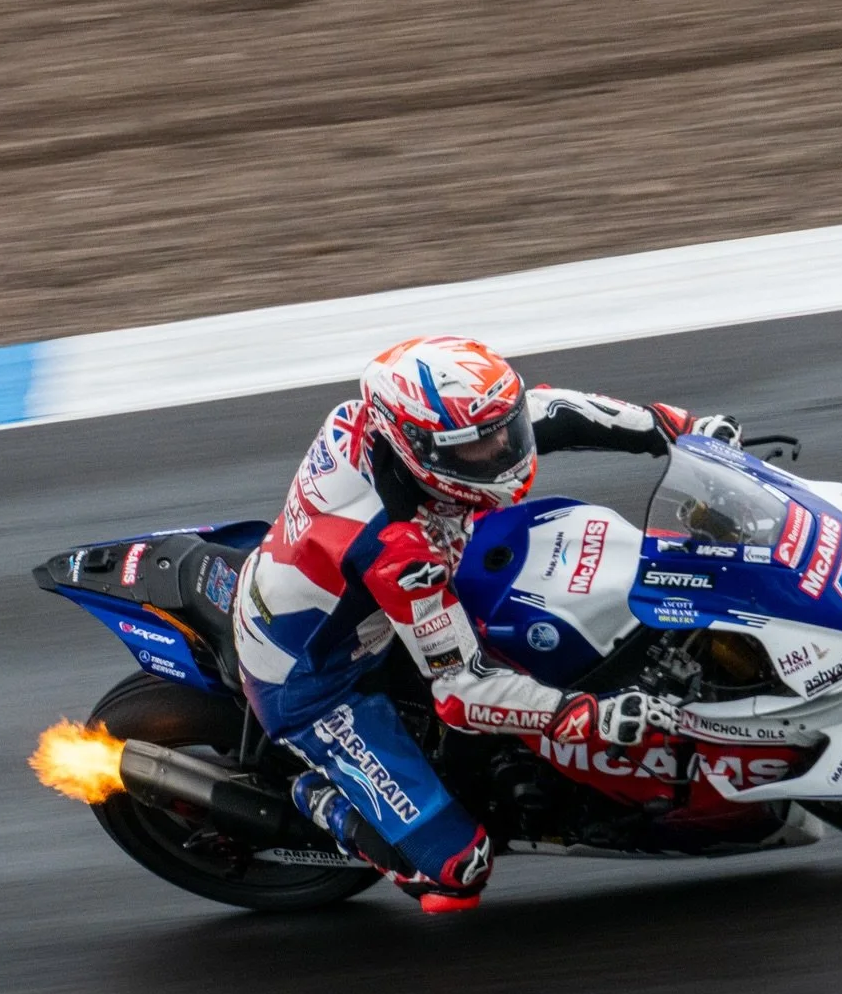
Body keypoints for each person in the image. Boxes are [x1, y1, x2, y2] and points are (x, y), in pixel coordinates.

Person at [234, 335, 740, 913]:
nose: (504, 449)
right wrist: (581, 714)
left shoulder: (394, 429)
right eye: (481, 446)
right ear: (419, 447)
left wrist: (682, 430)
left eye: (505, 430)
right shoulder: (401, 552)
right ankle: (316, 797)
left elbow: (554, 410)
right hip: (315, 679)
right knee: (457, 873)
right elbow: (462, 693)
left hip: (364, 591)